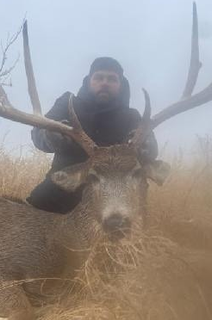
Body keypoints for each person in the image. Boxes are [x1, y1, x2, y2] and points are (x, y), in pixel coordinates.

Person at [27, 57, 158, 213]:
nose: (104, 83)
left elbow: (151, 152)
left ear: (120, 85)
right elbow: (38, 133)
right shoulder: (68, 104)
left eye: (112, 79)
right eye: (99, 77)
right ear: (89, 81)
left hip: (113, 196)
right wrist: (50, 136)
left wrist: (146, 147)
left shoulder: (132, 116)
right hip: (60, 192)